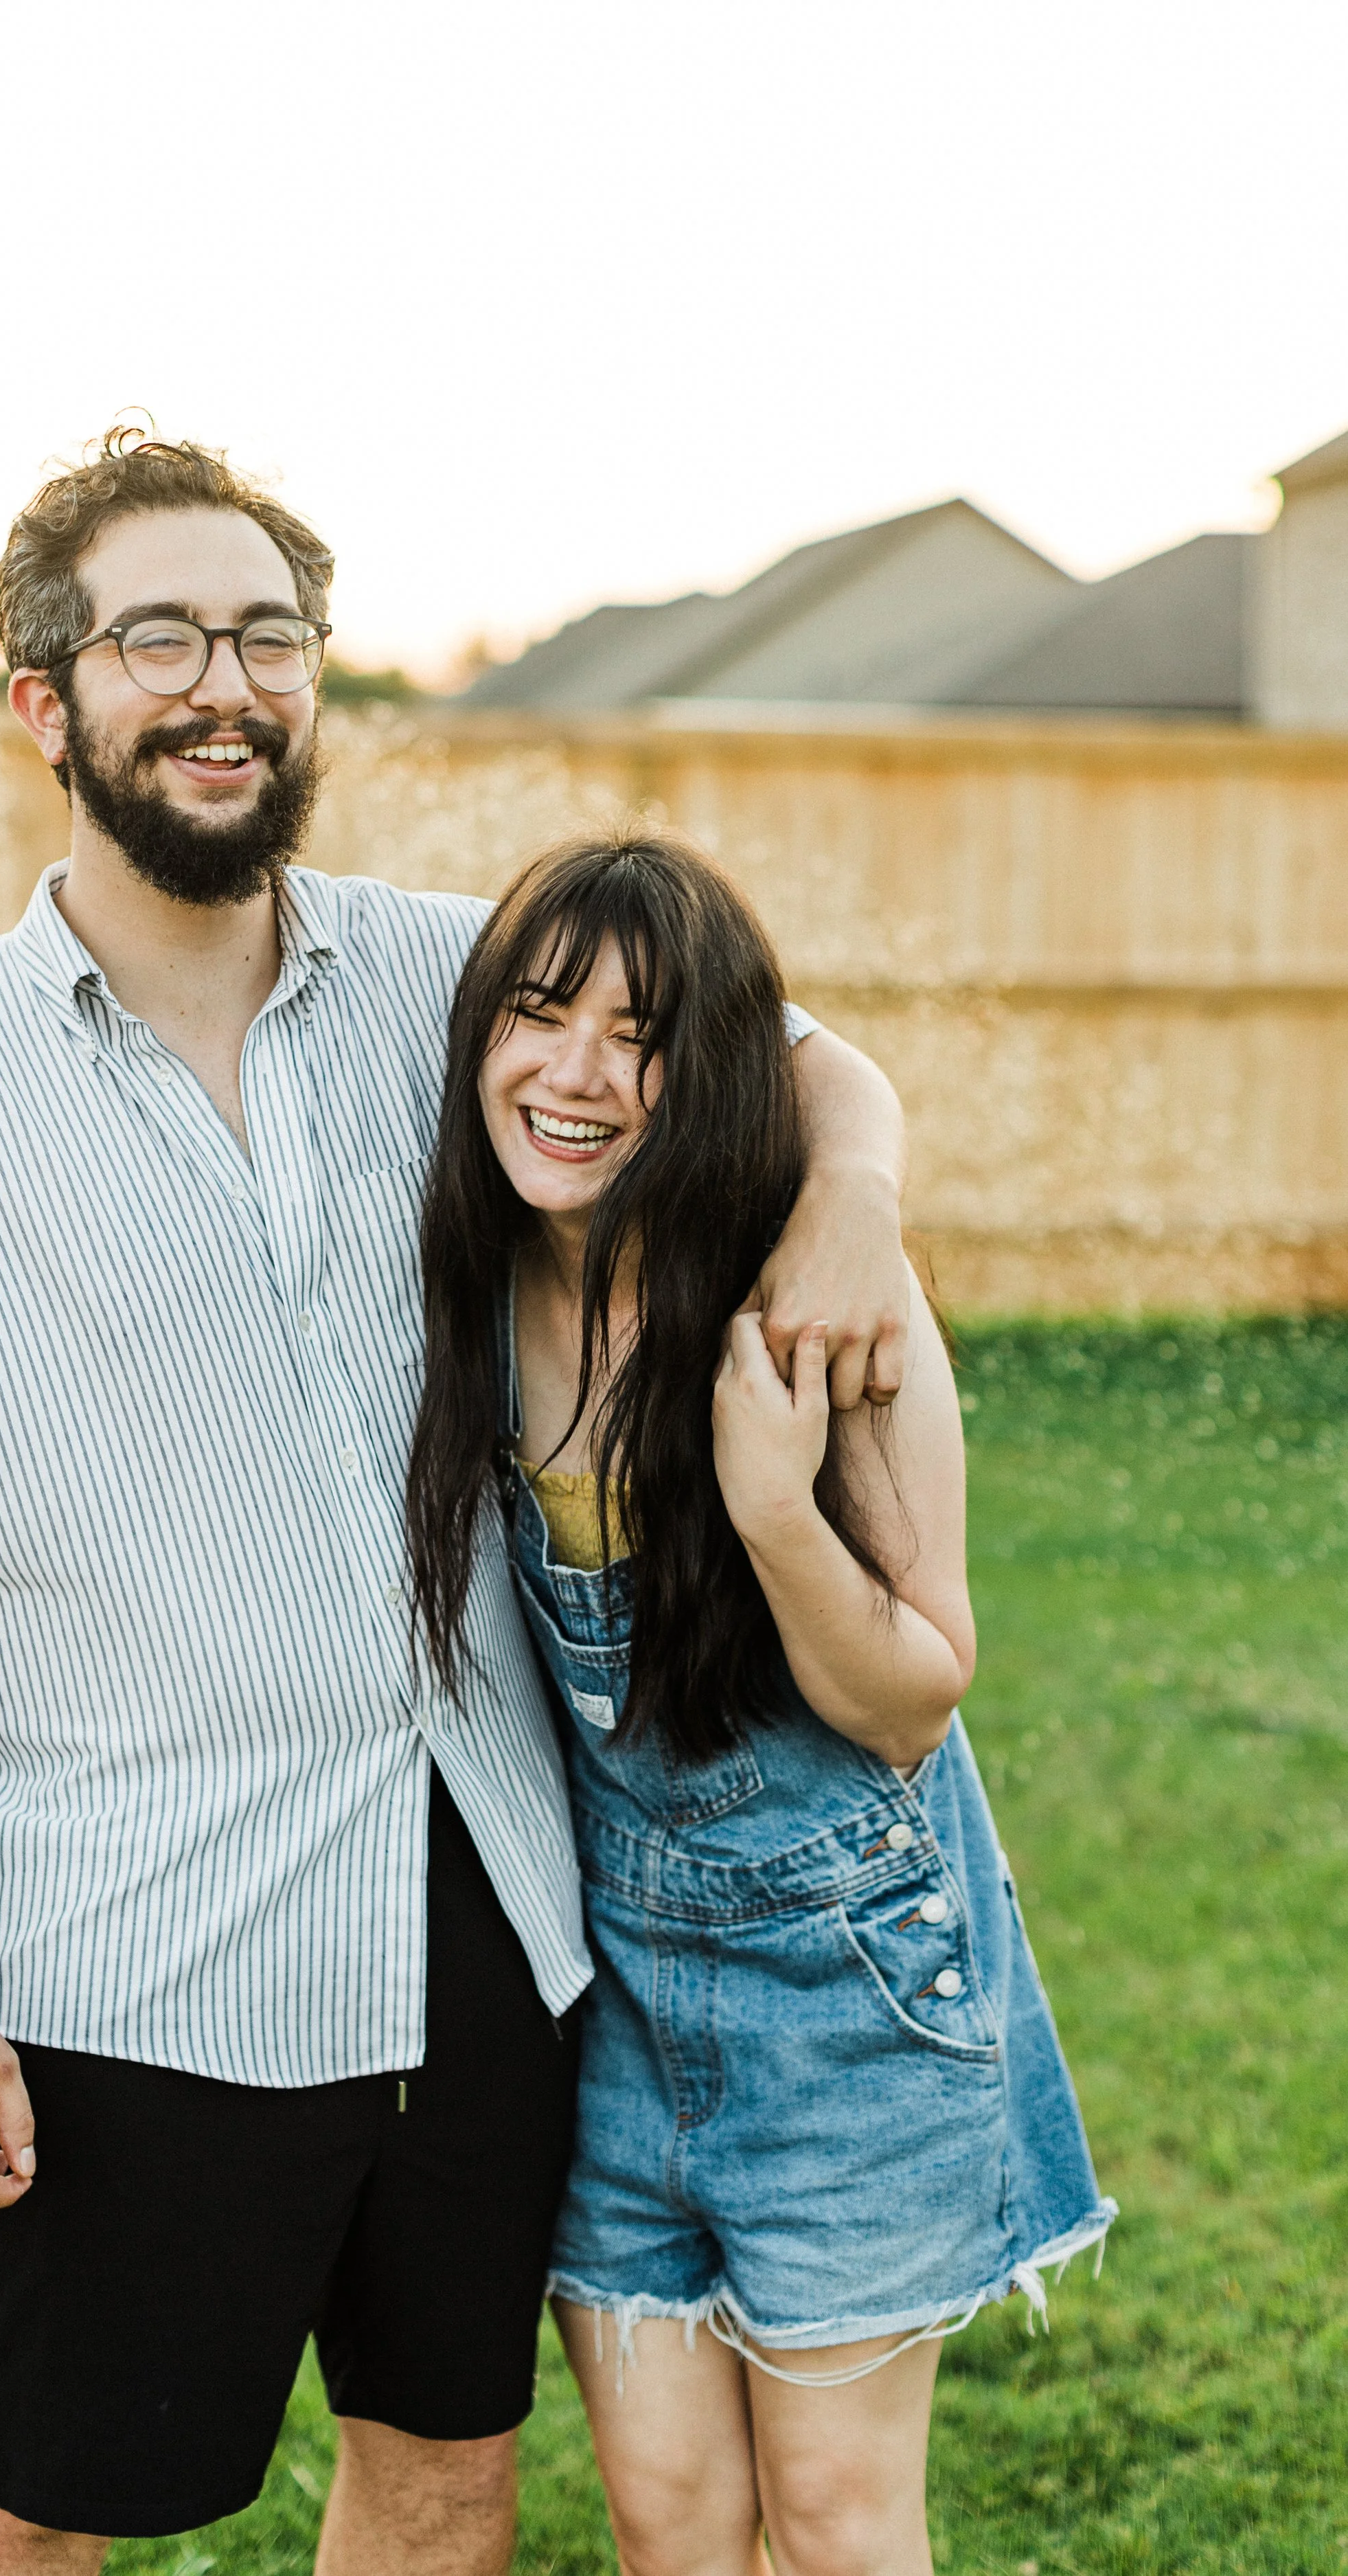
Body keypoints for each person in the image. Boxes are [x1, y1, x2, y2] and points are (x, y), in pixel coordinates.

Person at [0, 429, 912, 2576]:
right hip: (129, 1960)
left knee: (446, 2478)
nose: (223, 679)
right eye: (156, 631)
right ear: (43, 704)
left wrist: (855, 1202)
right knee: (26, 2516)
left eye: (270, 632)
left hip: (483, 1912)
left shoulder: (464, 988)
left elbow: (791, 1046)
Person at [406, 834, 1115, 2576]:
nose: (574, 1073)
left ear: (710, 1073)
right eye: (536, 1010)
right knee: (668, 2520)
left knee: (835, 2522)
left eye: (636, 1037)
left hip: (849, 2009)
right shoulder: (481, 1283)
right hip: (618, 2001)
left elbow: (908, 1700)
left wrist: (775, 1507)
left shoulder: (818, 1316)